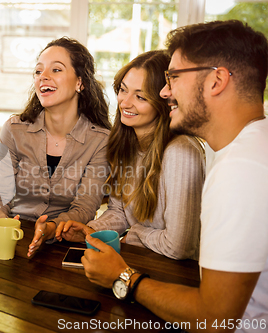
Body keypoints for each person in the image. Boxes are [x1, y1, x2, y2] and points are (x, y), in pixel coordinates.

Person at [81, 20, 268, 332]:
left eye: (174, 77)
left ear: (216, 80)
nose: (165, 92)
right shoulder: (248, 152)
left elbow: (214, 319)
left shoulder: (241, 170)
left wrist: (124, 277)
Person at [56, 50, 204, 260]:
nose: (125, 103)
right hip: (142, 262)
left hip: (176, 276)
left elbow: (179, 247)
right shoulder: (128, 144)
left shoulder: (181, 152)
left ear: (162, 101)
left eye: (140, 96)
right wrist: (91, 230)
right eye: (123, 90)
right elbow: (119, 212)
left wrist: (134, 234)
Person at [0, 37, 112, 257]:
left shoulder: (100, 140)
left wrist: (50, 229)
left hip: (64, 241)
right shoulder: (14, 129)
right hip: (13, 233)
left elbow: (84, 207)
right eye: (38, 71)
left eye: (56, 69)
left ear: (81, 82)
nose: (44, 77)